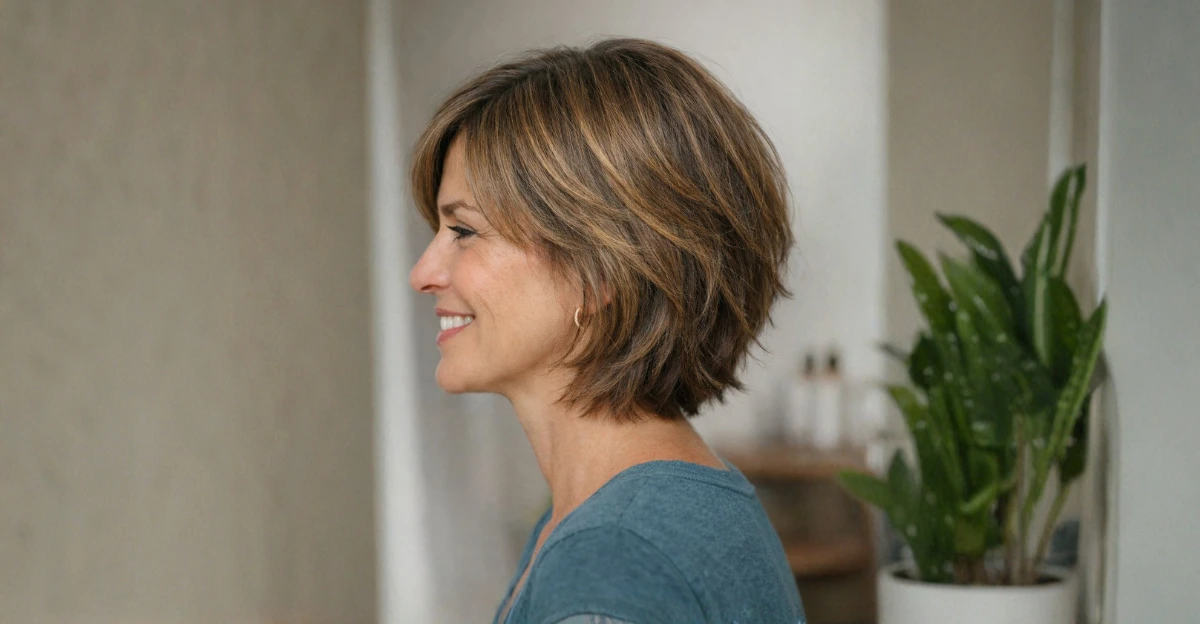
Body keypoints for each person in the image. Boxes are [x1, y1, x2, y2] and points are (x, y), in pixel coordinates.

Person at [408, 37, 806, 624]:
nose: (423, 273)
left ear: (598, 273)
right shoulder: (640, 509)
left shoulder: (610, 559)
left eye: (463, 231)